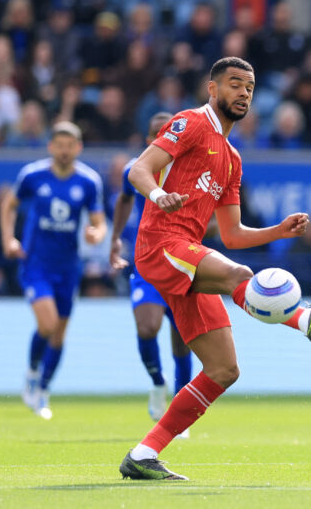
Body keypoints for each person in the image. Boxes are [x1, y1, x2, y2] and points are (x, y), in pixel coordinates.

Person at [118, 57, 311, 481]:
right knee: (239, 276)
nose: (243, 93)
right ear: (213, 89)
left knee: (224, 370)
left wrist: (278, 230)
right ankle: (306, 319)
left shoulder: (232, 159)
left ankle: (143, 454)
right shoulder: (190, 122)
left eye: (250, 88)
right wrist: (159, 193)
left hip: (189, 254)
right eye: (234, 84)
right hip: (161, 244)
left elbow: (233, 234)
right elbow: (139, 169)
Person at [0, 121, 107, 419]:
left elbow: (99, 222)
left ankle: (42, 390)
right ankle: (32, 371)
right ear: (51, 147)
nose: (63, 150)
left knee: (58, 335)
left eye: (69, 145)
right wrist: (9, 238)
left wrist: (95, 236)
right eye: (58, 144)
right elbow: (9, 205)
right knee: (47, 325)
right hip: (36, 263)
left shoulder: (88, 181)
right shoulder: (33, 175)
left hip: (69, 266)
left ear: (78, 148)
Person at [109, 112, 193, 425]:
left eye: (170, 133)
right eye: (159, 134)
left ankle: (180, 413)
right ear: (149, 141)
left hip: (184, 263)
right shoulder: (135, 170)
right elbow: (125, 200)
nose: (165, 138)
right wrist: (115, 238)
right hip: (148, 261)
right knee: (147, 327)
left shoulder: (193, 170)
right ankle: (159, 383)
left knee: (183, 340)